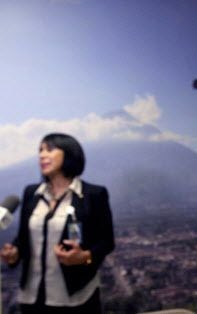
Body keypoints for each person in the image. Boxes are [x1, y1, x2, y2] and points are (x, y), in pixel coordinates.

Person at [1, 133, 115, 314]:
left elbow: (106, 242)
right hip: (31, 297)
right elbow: (23, 239)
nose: (42, 155)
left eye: (49, 149)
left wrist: (84, 257)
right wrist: (14, 253)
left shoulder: (94, 194)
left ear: (70, 153)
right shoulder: (31, 193)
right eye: (40, 150)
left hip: (76, 297)